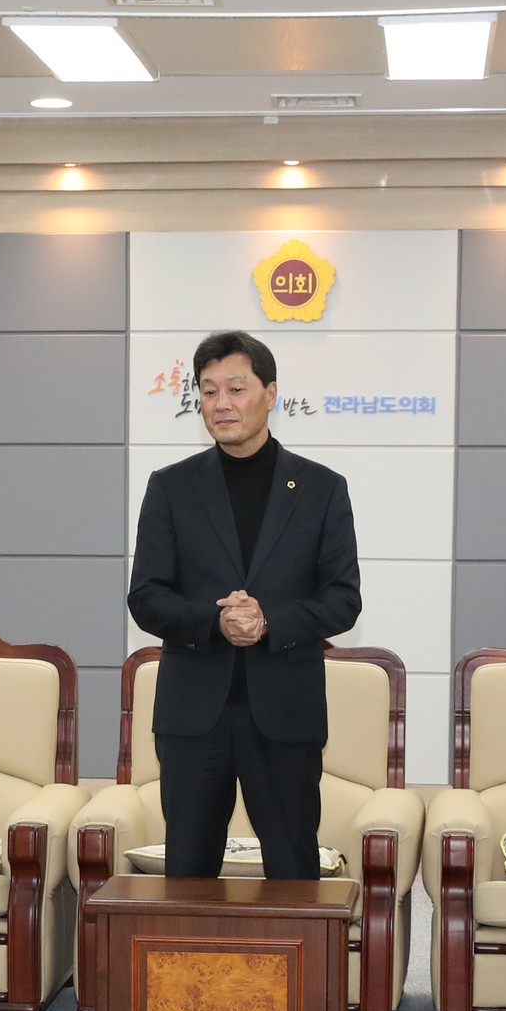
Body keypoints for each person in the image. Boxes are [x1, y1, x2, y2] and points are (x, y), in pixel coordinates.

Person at [126, 330, 361, 881]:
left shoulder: (323, 490)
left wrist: (267, 622)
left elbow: (342, 599)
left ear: (271, 392)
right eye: (208, 391)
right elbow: (147, 596)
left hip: (284, 712)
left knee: (292, 873)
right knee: (185, 874)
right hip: (193, 716)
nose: (222, 403)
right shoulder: (171, 487)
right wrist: (216, 622)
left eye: (236, 387)